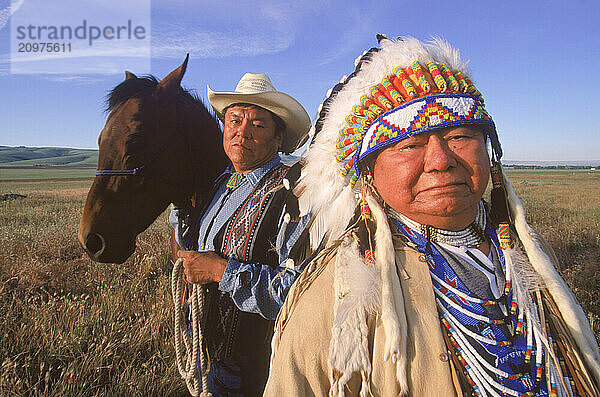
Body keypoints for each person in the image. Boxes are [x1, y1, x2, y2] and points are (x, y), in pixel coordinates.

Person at [264, 36, 600, 396]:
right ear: (369, 173)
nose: (441, 160)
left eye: (459, 136)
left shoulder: (527, 253)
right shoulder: (342, 291)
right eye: (410, 144)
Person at [169, 72, 311, 395]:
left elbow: (298, 293)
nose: (241, 132)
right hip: (208, 356)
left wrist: (221, 271)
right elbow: (198, 248)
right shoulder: (221, 184)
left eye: (257, 125)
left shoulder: (294, 192)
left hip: (255, 371)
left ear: (278, 139)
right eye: (235, 120)